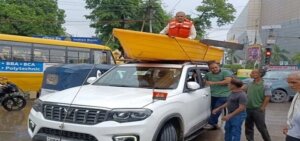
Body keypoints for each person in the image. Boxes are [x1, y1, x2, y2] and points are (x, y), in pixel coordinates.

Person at [244, 69, 272, 141]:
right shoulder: (250, 83)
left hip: (258, 109)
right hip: (248, 108)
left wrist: (263, 107)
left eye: (253, 73)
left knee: (261, 127)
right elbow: (243, 89)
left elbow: (268, 96)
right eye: (251, 72)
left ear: (260, 74)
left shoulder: (265, 84)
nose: (251, 74)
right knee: (248, 127)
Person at [204, 61, 232, 129]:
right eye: (212, 68)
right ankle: (215, 124)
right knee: (213, 109)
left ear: (219, 66)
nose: (214, 69)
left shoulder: (225, 72)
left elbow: (228, 81)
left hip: (224, 95)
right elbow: (204, 81)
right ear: (210, 69)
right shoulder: (208, 74)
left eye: (216, 67)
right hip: (213, 95)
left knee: (217, 109)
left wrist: (213, 83)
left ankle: (211, 123)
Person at [283, 71, 300, 141]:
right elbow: (293, 112)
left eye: (293, 82)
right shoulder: (297, 94)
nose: (290, 85)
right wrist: (289, 125)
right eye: (289, 82)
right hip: (292, 133)